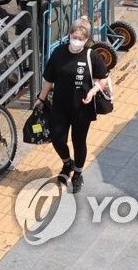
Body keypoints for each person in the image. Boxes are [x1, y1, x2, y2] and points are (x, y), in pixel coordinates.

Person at [34, 17, 109, 194]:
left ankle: (77, 173)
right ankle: (67, 163)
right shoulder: (59, 53)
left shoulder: (92, 56)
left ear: (86, 40)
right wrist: (41, 99)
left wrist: (92, 91)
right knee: (58, 138)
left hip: (82, 108)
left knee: (78, 141)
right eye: (74, 37)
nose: (77, 41)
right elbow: (48, 80)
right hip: (60, 105)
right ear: (69, 35)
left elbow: (103, 78)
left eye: (81, 39)